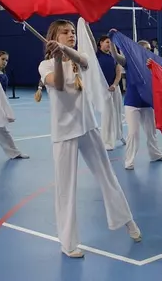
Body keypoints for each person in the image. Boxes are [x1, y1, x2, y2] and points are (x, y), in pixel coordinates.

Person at [38, 20, 141, 258]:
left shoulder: (78, 58)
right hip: (64, 133)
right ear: (54, 35)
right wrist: (56, 57)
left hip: (87, 127)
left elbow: (83, 61)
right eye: (65, 32)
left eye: (73, 32)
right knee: (66, 188)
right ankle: (68, 242)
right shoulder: (44, 65)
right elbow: (60, 85)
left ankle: (127, 221)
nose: (71, 34)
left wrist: (63, 50)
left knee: (108, 177)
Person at [107, 34, 162, 170]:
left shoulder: (153, 63)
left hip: (147, 103)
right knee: (133, 133)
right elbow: (115, 57)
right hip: (132, 103)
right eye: (144, 48)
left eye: (149, 48)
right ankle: (129, 160)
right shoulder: (129, 61)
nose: (147, 50)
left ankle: (155, 155)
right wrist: (112, 42)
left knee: (151, 132)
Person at [94, 35, 124, 150]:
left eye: (111, 43)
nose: (109, 45)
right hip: (102, 89)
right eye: (107, 42)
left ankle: (119, 135)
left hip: (114, 88)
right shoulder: (96, 55)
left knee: (117, 112)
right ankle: (106, 141)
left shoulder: (113, 56)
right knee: (108, 114)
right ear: (100, 43)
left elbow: (118, 72)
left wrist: (115, 85)